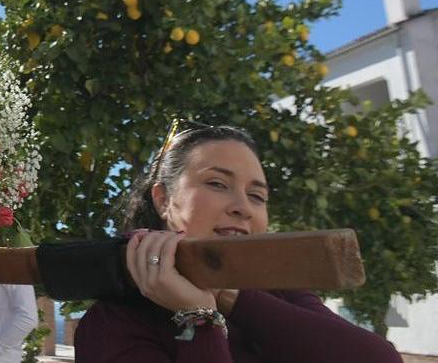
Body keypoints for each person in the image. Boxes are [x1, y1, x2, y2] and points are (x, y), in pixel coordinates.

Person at [74, 124, 403, 362]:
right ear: (163, 200)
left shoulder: (277, 291)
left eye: (256, 196)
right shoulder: (113, 322)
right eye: (218, 183)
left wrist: (228, 296)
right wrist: (198, 317)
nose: (243, 207)